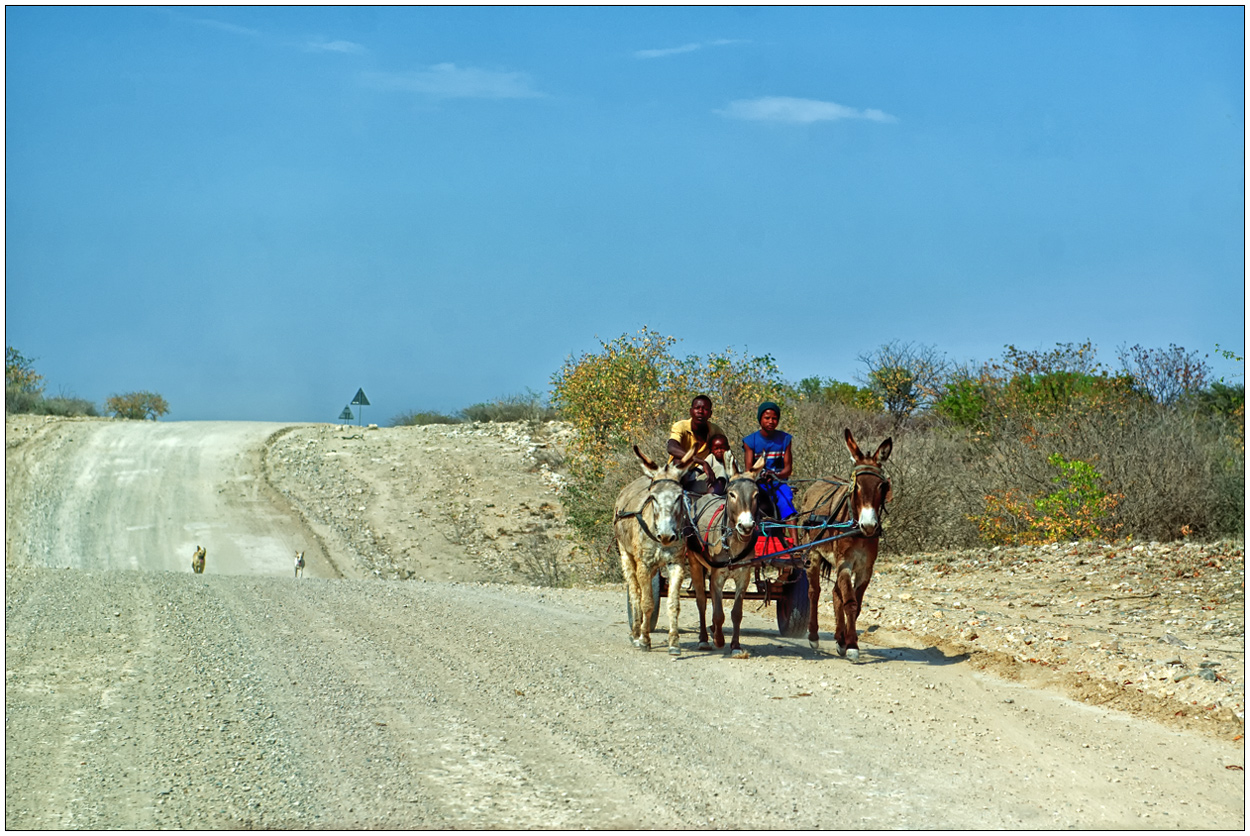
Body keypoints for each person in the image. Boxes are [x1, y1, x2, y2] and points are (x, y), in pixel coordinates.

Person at [742, 401, 796, 519]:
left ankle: (795, 537)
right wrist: (761, 476)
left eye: (774, 418)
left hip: (779, 483)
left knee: (786, 501)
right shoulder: (750, 441)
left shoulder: (785, 439)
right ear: (760, 418)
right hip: (758, 484)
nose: (771, 421)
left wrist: (776, 475)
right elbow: (749, 470)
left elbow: (788, 469)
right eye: (767, 418)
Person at [667, 394, 724, 494]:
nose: (700, 412)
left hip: (701, 473)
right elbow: (671, 447)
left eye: (705, 409)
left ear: (710, 414)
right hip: (683, 473)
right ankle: (679, 494)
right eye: (697, 408)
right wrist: (702, 462)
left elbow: (725, 452)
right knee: (678, 462)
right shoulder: (681, 426)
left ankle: (710, 501)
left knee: (722, 466)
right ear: (691, 411)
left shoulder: (715, 430)